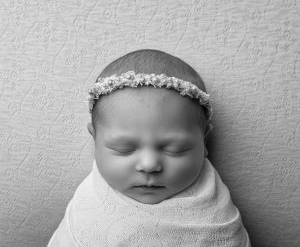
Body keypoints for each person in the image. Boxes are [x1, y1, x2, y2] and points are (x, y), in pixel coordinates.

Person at [48, 49, 251, 246]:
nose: (149, 165)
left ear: (204, 142)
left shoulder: (217, 215)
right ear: (95, 140)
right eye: (124, 148)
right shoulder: (88, 212)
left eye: (175, 148)